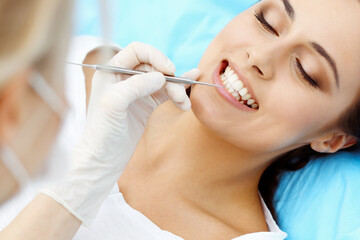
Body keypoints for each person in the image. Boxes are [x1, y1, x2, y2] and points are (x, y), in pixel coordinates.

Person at [72, 0, 360, 239]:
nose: (259, 56)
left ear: (332, 139)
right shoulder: (82, 66)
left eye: (305, 70)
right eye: (267, 22)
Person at [0, 0, 197, 239]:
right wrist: (81, 182)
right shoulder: (88, 59)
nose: (66, 108)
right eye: (258, 20)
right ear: (9, 106)